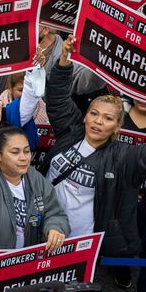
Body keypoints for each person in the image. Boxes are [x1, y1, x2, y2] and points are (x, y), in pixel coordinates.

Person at [41, 36, 146, 289]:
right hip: (44, 227)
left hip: (81, 242)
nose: (99, 121)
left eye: (108, 118)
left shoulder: (123, 156)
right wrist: (65, 58)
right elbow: (56, 97)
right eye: (94, 114)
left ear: (117, 127)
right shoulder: (71, 130)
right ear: (85, 116)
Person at [0, 102, 70, 250]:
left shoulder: (36, 179)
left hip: (27, 264)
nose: (24, 158)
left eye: (26, 151)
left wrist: (54, 228)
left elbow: (55, 212)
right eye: (15, 152)